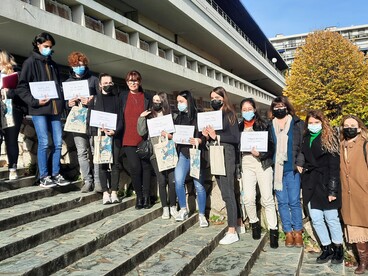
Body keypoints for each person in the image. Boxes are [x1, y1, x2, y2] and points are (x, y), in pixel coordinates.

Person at [16, 32, 69, 187]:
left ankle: (56, 174)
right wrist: (35, 101)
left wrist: (62, 103)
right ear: (38, 45)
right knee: (44, 142)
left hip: (55, 109)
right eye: (46, 46)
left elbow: (58, 86)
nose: (48, 49)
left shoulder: (53, 64)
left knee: (58, 143)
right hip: (39, 110)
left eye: (50, 47)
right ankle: (44, 176)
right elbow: (21, 87)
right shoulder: (30, 62)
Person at [299, 110, 343, 264]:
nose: (313, 125)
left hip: (326, 182)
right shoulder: (305, 138)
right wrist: (301, 165)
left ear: (322, 123)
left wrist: (333, 190)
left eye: (316, 122)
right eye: (310, 123)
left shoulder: (330, 138)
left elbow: (334, 166)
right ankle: (326, 248)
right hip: (311, 182)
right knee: (317, 219)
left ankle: (338, 248)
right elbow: (303, 155)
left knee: (331, 218)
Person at [202, 87, 241, 245]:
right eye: (212, 97)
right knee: (226, 191)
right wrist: (207, 137)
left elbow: (235, 137)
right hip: (216, 154)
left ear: (224, 98)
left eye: (217, 97)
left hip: (227, 155)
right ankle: (238, 223)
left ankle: (232, 230)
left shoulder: (230, 114)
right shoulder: (212, 116)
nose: (214, 100)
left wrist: (216, 135)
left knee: (227, 192)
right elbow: (212, 138)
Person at [238, 98, 278, 248]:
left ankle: (273, 230)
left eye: (250, 109)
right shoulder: (239, 126)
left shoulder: (264, 125)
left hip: (262, 164)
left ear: (254, 109)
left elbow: (271, 146)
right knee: (248, 198)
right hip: (246, 164)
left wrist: (260, 154)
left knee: (267, 198)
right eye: (244, 109)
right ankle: (254, 223)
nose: (247, 112)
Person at [269, 96, 304, 247]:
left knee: (294, 201)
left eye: (281, 106)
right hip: (277, 170)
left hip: (292, 169)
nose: (279, 109)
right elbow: (268, 147)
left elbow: (303, 146)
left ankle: (298, 231)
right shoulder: (269, 126)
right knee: (282, 202)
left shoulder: (297, 123)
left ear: (287, 107)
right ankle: (288, 232)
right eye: (276, 107)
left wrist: (300, 163)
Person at [137, 92, 178, 219]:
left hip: (170, 152)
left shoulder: (172, 116)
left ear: (163, 102)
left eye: (158, 101)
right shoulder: (149, 116)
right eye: (154, 100)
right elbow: (141, 132)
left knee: (172, 181)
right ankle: (164, 207)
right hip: (156, 153)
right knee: (161, 180)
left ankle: (173, 206)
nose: (156, 103)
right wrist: (141, 118)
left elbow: (178, 133)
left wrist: (171, 136)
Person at [66, 51, 100, 193]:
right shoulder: (68, 83)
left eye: (81, 64)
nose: (79, 67)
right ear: (72, 66)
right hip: (77, 121)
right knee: (82, 152)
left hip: (92, 119)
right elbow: (64, 105)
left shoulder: (93, 80)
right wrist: (69, 103)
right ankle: (87, 180)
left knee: (95, 150)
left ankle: (98, 180)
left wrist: (92, 101)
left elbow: (102, 99)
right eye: (76, 65)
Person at [174, 90, 208, 227]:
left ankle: (202, 215)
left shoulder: (199, 117)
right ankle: (183, 208)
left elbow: (205, 135)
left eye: (181, 101)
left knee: (199, 186)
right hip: (182, 154)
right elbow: (175, 134)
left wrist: (200, 140)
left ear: (188, 101)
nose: (179, 104)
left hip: (195, 155)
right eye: (177, 102)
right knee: (178, 181)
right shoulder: (178, 117)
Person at [339, 115, 368, 274]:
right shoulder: (341, 145)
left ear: (359, 128)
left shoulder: (365, 145)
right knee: (355, 230)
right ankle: (363, 262)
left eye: (352, 125)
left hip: (363, 193)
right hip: (348, 195)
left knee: (364, 228)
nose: (349, 127)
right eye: (346, 125)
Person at [88, 73, 123, 204]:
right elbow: (90, 119)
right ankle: (105, 192)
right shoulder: (95, 100)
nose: (108, 85)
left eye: (110, 83)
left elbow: (121, 118)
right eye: (105, 83)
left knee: (115, 164)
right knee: (102, 164)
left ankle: (114, 191)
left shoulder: (117, 99)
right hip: (100, 136)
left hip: (114, 135)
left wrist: (115, 130)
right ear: (100, 84)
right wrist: (95, 133)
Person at [121, 70, 152, 209]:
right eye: (130, 81)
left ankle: (146, 197)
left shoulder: (147, 97)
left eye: (135, 80)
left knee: (146, 168)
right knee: (135, 168)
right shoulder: (122, 96)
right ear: (127, 82)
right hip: (127, 138)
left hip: (143, 138)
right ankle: (139, 196)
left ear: (139, 81)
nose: (133, 83)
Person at [0, 50, 27, 180]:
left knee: (11, 139)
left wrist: (8, 92)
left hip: (12, 109)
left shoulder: (15, 72)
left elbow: (22, 91)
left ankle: (13, 168)